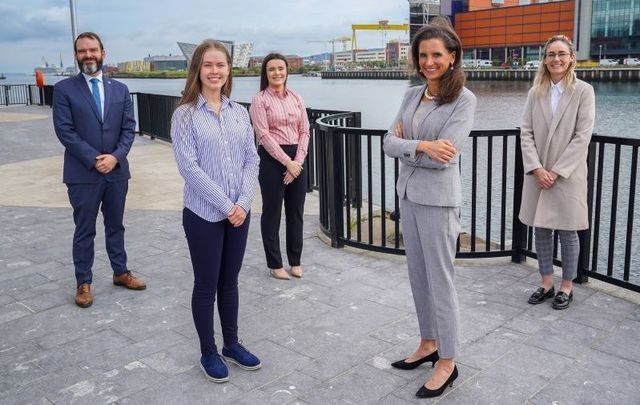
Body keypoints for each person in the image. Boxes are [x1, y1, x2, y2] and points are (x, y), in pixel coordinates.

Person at [382, 17, 476, 399]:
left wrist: (412, 146)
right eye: (423, 55)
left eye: (436, 54)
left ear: (452, 57)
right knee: (418, 276)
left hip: (438, 201)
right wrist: (421, 145)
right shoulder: (411, 94)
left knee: (441, 280)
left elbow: (446, 156)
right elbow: (388, 142)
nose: (428, 61)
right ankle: (428, 343)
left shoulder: (464, 100)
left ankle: (448, 360)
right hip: (408, 195)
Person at [170, 39, 261, 383]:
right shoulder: (185, 115)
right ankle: (208, 350)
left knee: (231, 282)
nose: (214, 71)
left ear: (229, 70)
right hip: (203, 215)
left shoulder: (240, 112)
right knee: (206, 284)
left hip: (240, 211)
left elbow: (252, 159)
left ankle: (232, 344)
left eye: (220, 65)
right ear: (197, 70)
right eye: (208, 65)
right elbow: (189, 168)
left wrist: (244, 203)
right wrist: (227, 206)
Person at [53, 32, 146, 309]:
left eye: (93, 50)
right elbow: (65, 131)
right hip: (83, 174)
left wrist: (115, 158)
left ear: (103, 52)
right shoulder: (64, 89)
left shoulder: (119, 89)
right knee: (84, 229)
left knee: (116, 225)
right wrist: (96, 159)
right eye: (82, 51)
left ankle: (120, 272)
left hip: (117, 172)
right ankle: (84, 282)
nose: (88, 55)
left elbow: (129, 128)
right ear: (76, 55)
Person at [520, 35, 595, 310]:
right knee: (541, 229)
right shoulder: (535, 91)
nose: (556, 59)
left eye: (562, 54)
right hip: (539, 172)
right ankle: (546, 282)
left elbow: (582, 136)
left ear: (571, 58)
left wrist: (557, 171)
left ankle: (567, 286)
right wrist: (537, 168)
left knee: (568, 230)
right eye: (551, 54)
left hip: (568, 173)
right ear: (544, 59)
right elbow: (525, 132)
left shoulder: (583, 91)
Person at [249, 53, 310, 280]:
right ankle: (275, 264)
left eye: (281, 68)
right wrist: (287, 162)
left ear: (287, 71)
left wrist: (298, 162)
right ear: (266, 73)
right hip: (272, 159)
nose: (277, 73)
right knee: (272, 212)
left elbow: (305, 130)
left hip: (297, 158)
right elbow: (263, 135)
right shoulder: (260, 100)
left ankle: (296, 261)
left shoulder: (296, 97)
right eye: (272, 69)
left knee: (296, 213)